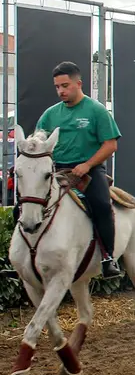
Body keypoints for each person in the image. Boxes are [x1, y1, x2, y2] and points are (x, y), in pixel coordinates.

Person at [18, 61, 123, 278]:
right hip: (55, 171)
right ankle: (21, 260)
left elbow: (111, 145)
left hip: (89, 171)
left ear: (78, 83)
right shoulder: (50, 114)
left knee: (102, 205)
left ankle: (107, 258)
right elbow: (40, 138)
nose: (60, 91)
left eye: (65, 86)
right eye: (57, 87)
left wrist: (86, 165)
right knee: (25, 202)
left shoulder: (97, 111)